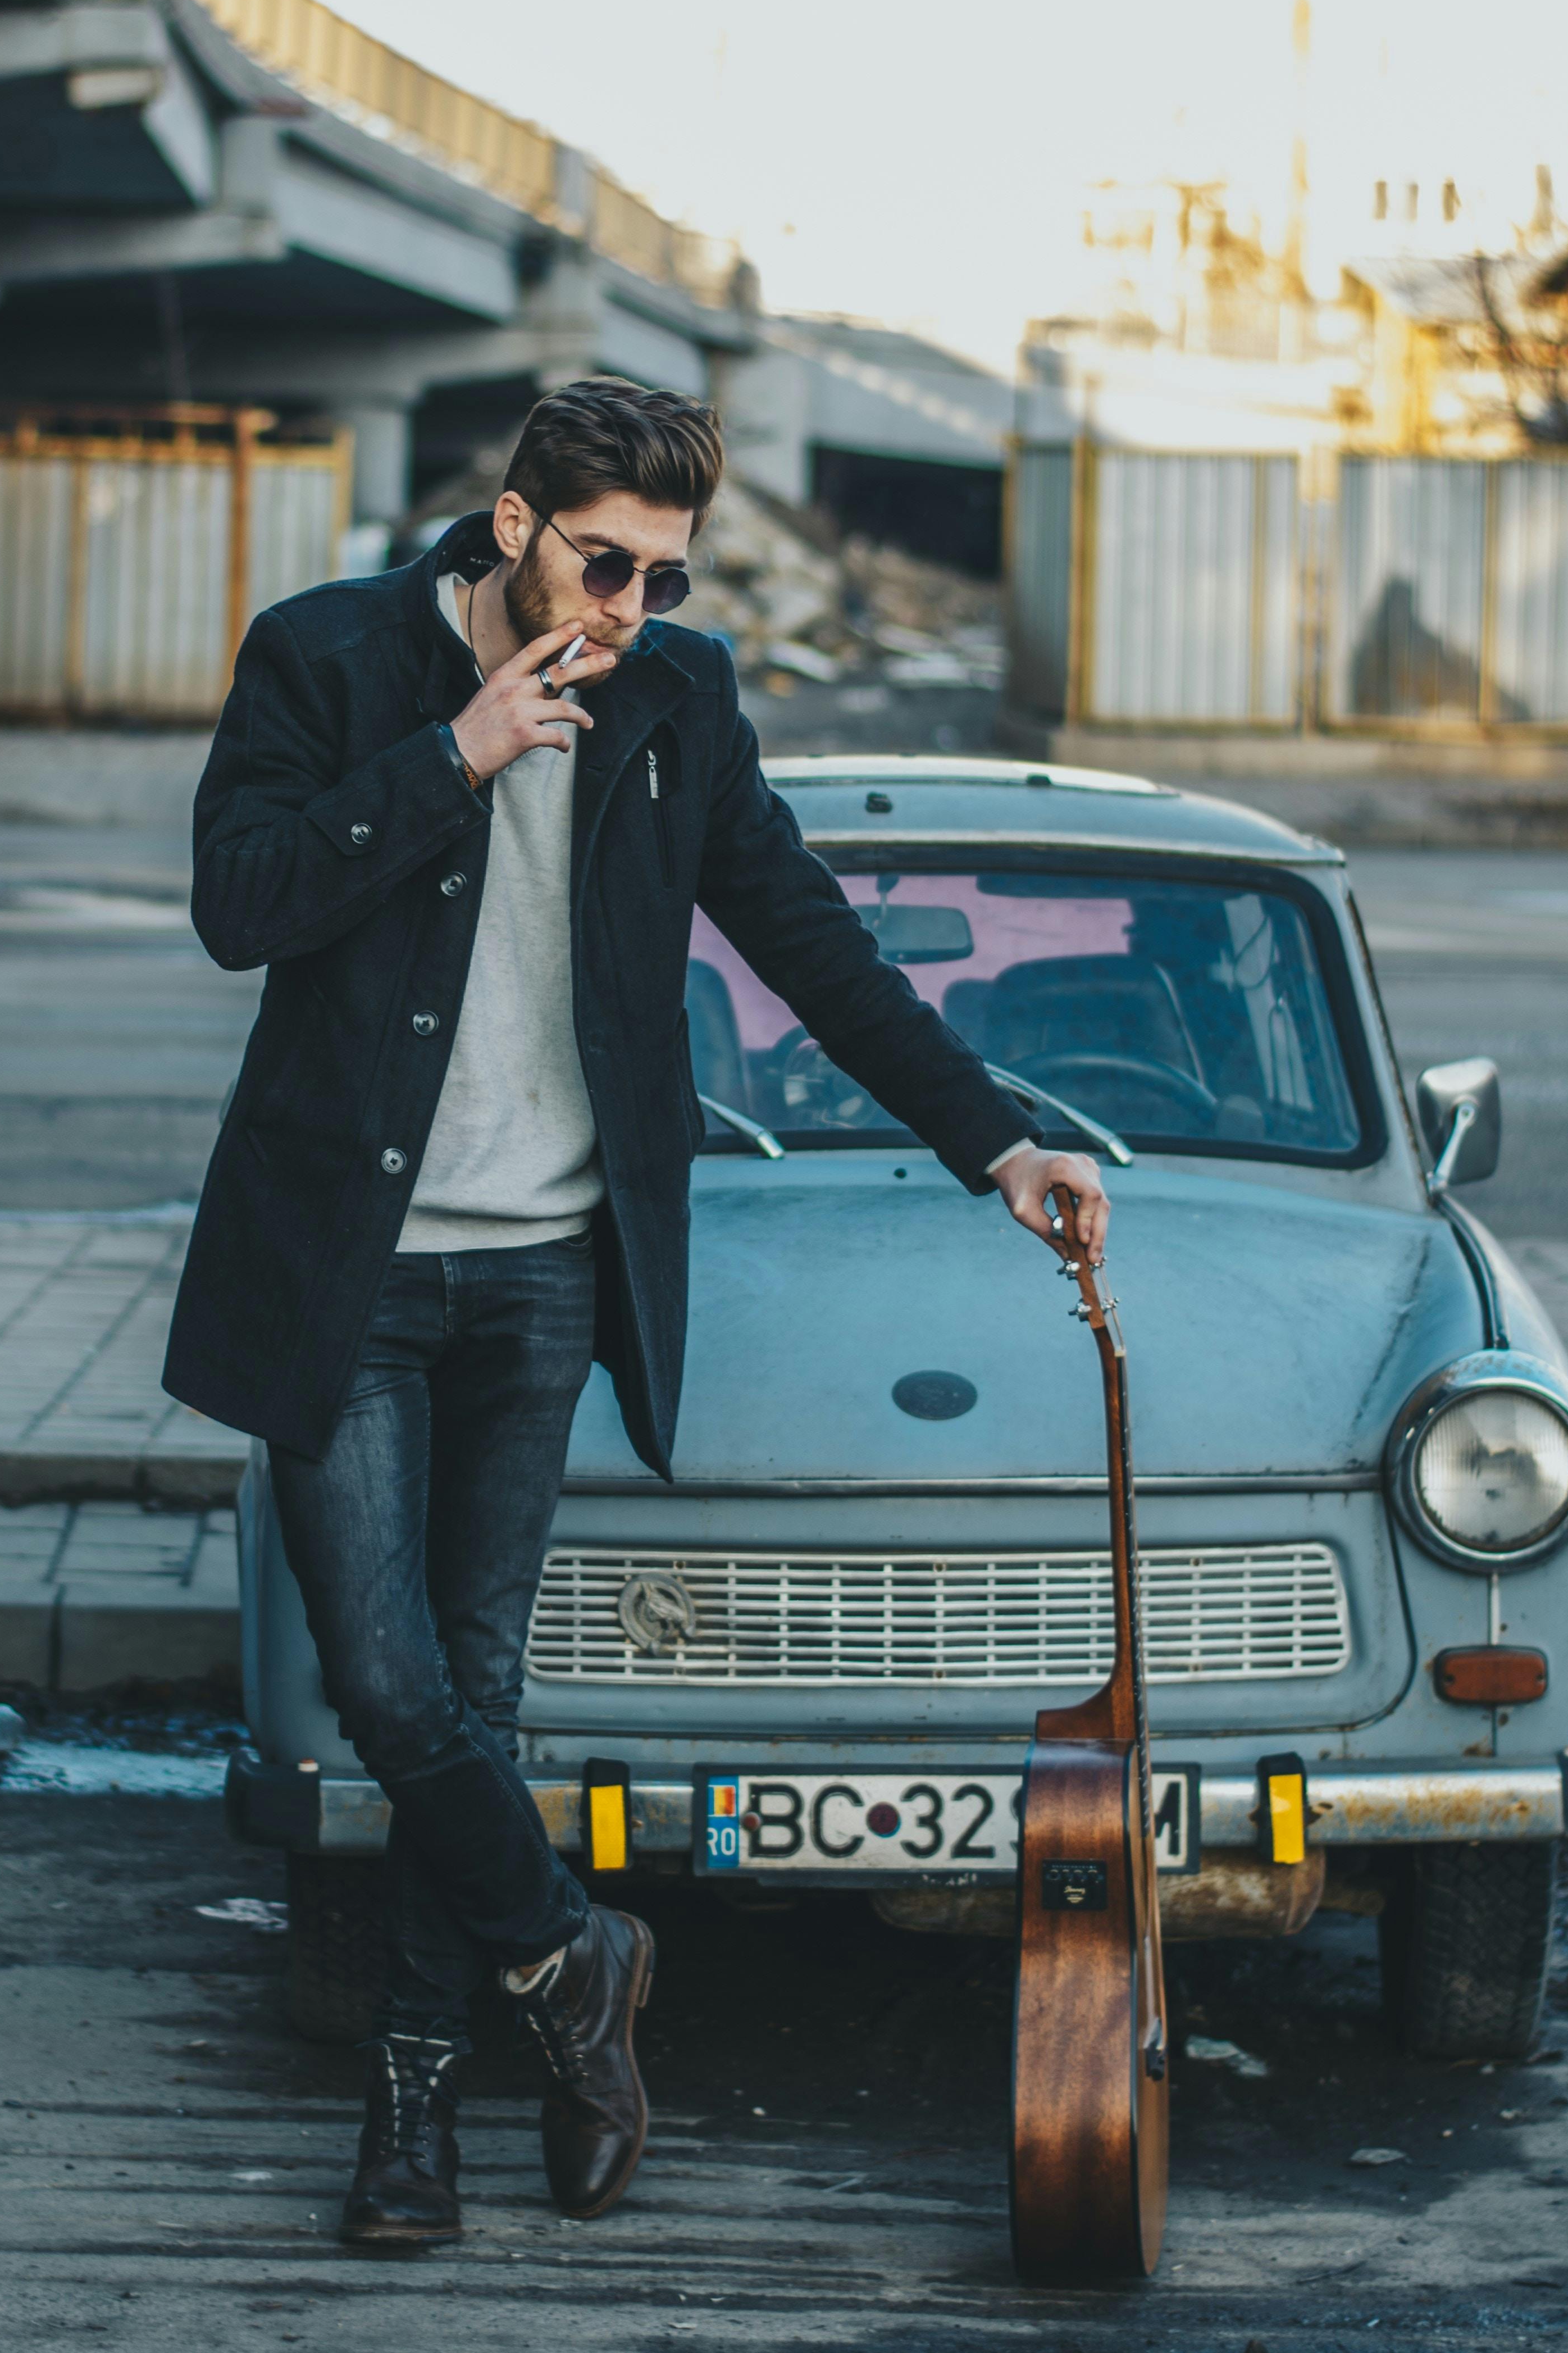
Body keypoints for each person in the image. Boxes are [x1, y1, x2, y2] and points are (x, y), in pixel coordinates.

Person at [164, 377, 1106, 2254]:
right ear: (512, 527)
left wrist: (993, 1142)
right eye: (606, 565)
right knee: (382, 1686)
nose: (630, 610)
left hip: (541, 1269)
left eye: (665, 580)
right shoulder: (328, 658)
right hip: (349, 1270)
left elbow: (809, 938)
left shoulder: (675, 698)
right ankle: (574, 1961)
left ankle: (414, 2120)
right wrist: (459, 753)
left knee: (478, 1699)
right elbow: (236, 904)